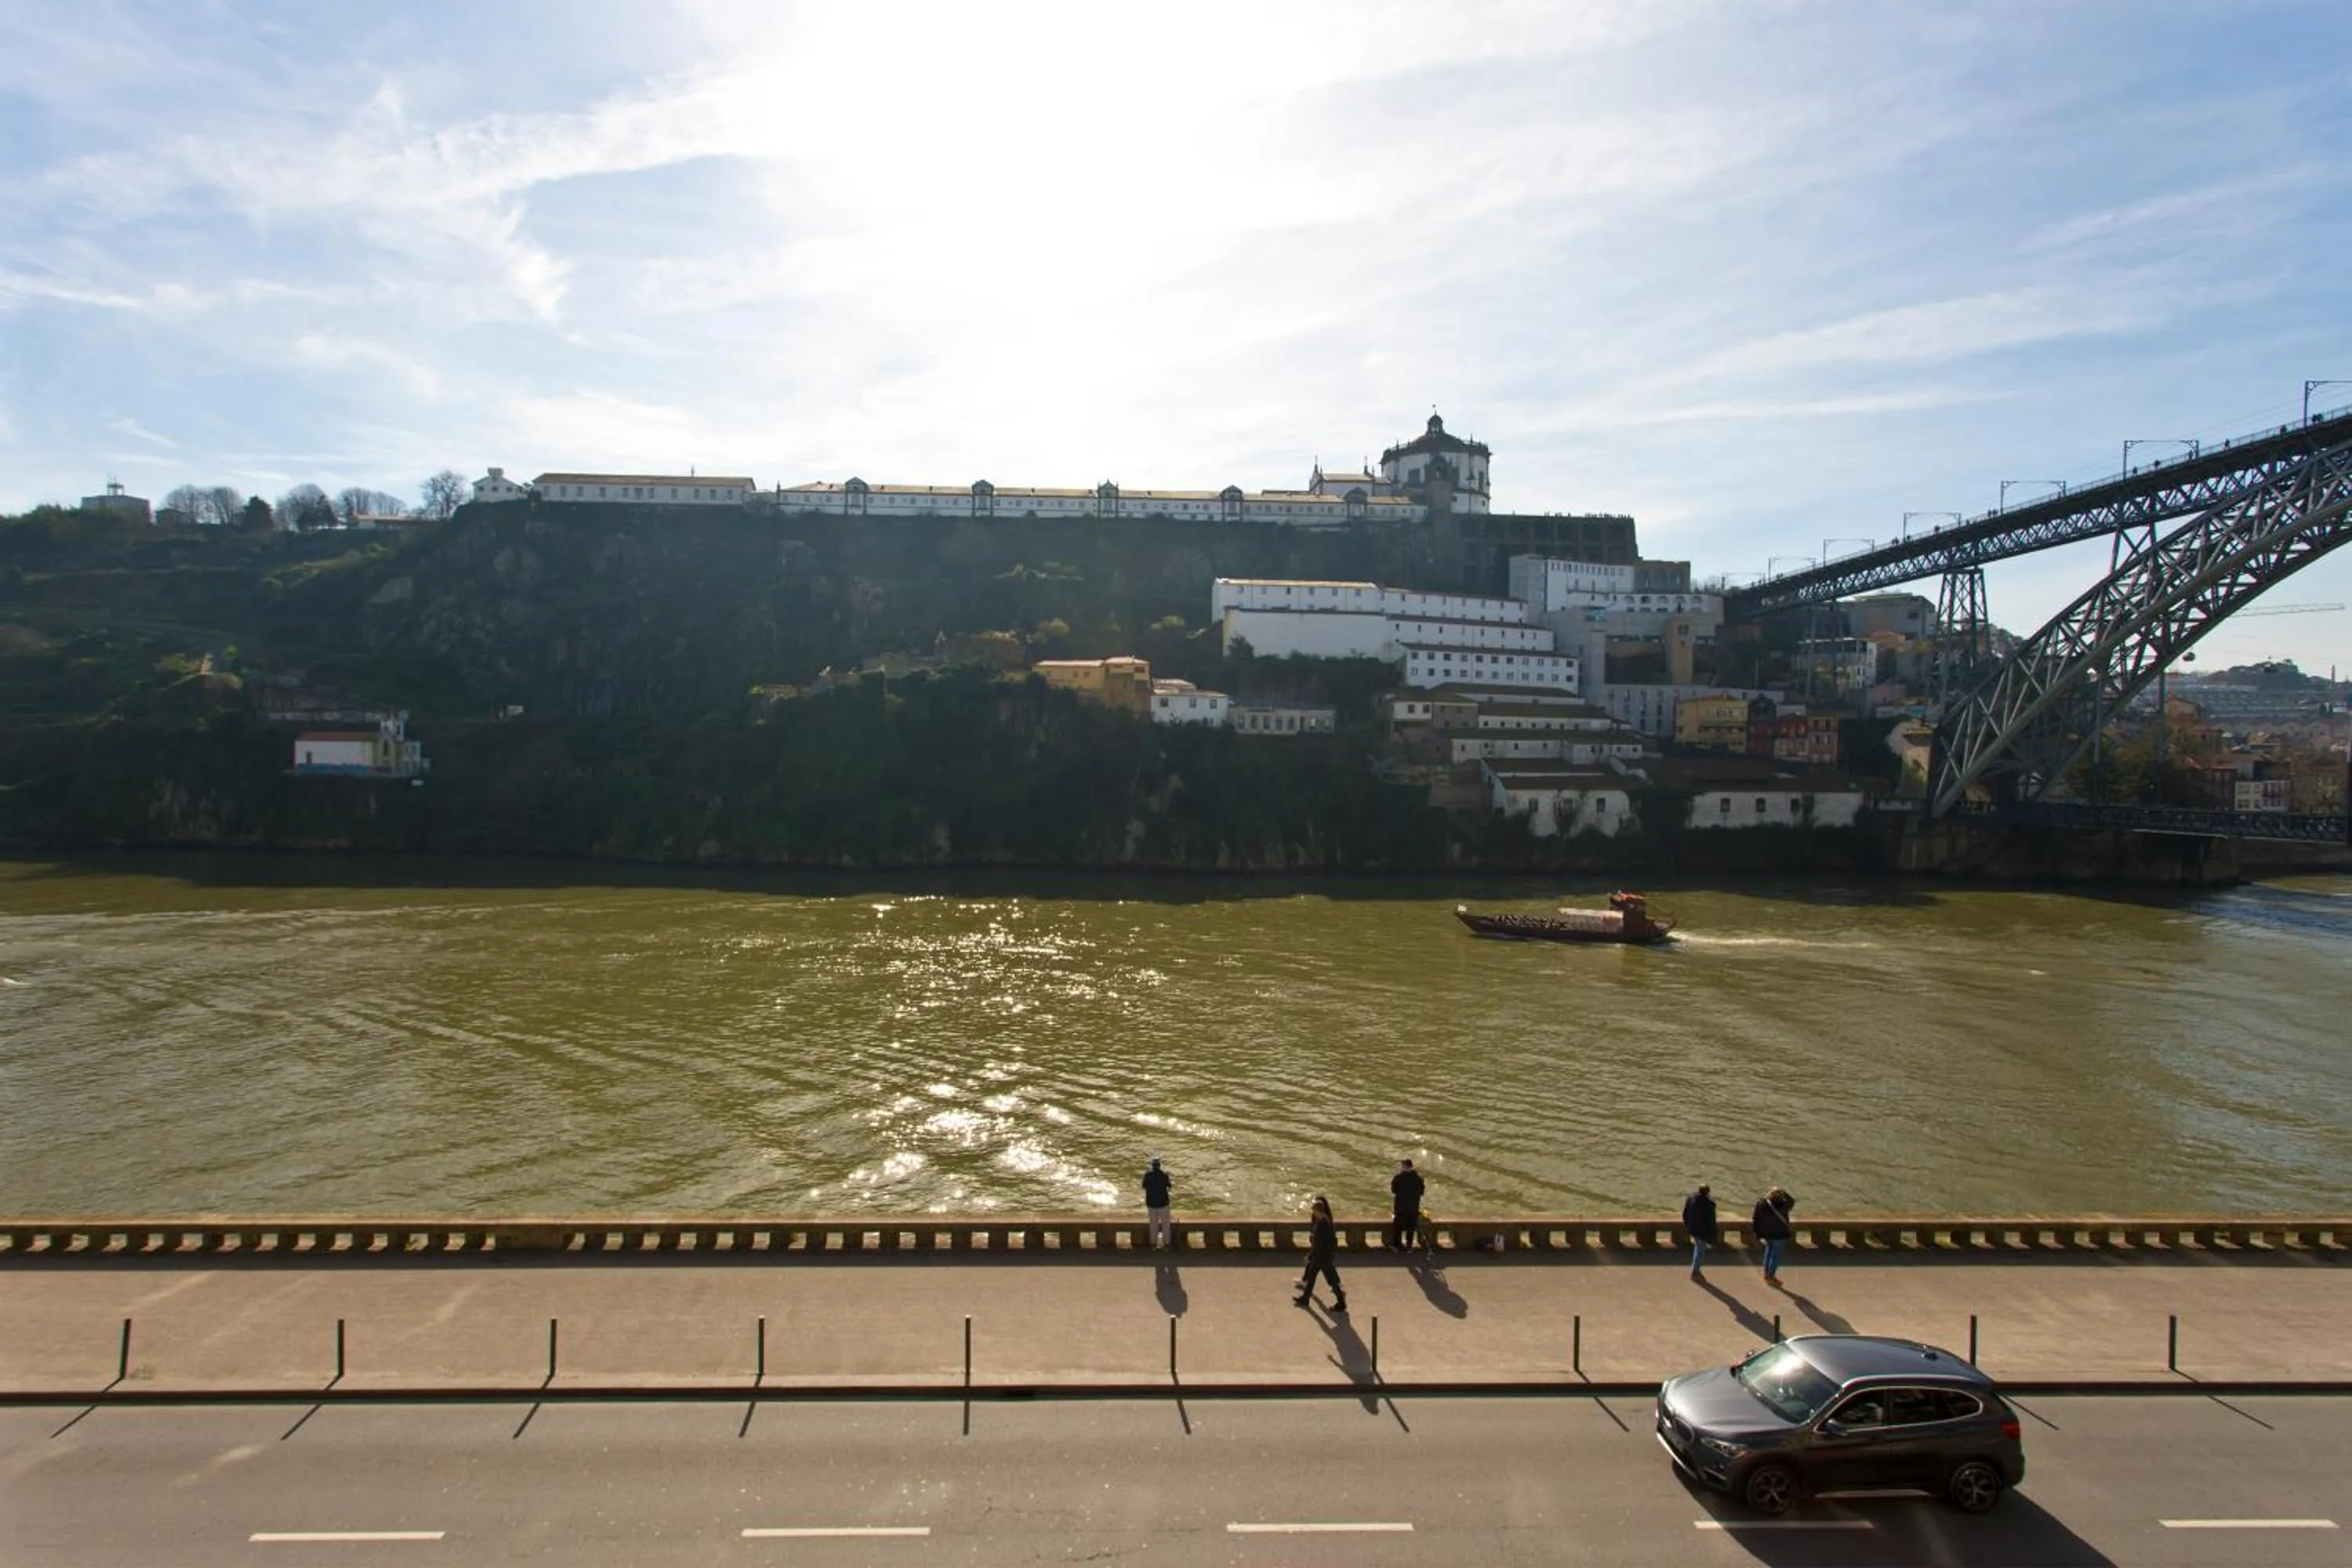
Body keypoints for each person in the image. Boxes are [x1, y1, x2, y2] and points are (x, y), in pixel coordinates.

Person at [1294, 1195, 1347, 1312]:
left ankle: (1341, 1303)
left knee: (1329, 1280)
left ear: (1317, 1210)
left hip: (1321, 1256)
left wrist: (1310, 1254)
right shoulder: (1325, 1220)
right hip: (1324, 1255)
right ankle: (1305, 1298)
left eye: (1313, 1209)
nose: (1313, 1212)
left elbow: (1319, 1242)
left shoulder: (1322, 1222)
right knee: (1315, 1277)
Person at [1752, 1185, 1795, 1286]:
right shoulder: (1783, 1206)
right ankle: (1772, 1276)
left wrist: (1758, 1233)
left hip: (1767, 1233)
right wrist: (1784, 1192)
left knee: (1768, 1252)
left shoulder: (1761, 1205)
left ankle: (1766, 1274)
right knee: (1775, 1256)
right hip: (1780, 1234)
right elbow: (1792, 1201)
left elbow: (1756, 1219)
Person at [1388, 1159, 1426, 1254]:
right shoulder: (1419, 1179)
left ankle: (1397, 1246)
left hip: (1400, 1208)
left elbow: (1393, 1190)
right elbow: (1421, 1192)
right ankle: (1409, 1247)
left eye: (1402, 1166)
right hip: (1413, 1208)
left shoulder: (1398, 1178)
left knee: (1398, 1228)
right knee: (1410, 1229)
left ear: (1405, 1166)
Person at [1682, 1183, 1718, 1280]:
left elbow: (1685, 1213)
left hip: (1693, 1228)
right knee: (1700, 1251)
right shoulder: (1709, 1204)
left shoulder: (1691, 1199)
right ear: (1707, 1192)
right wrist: (1713, 1236)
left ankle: (1695, 1268)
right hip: (1703, 1231)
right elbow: (1711, 1221)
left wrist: (1688, 1224)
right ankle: (1695, 1272)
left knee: (1698, 1248)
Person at [1142, 1157, 1173, 1251]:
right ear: (1159, 1166)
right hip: (1163, 1203)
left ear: (1152, 1166)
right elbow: (1169, 1186)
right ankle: (1166, 1245)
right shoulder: (1164, 1175)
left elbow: (1144, 1186)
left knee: (1153, 1225)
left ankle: (1153, 1245)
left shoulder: (1148, 1175)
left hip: (1151, 1204)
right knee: (1165, 1225)